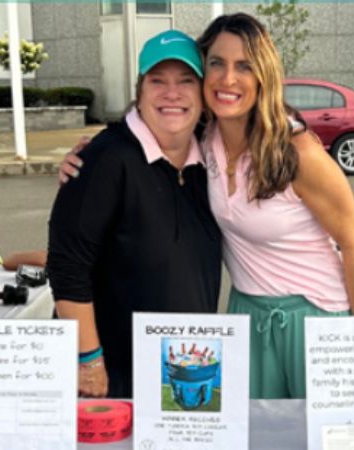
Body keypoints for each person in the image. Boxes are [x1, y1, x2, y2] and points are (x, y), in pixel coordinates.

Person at [60, 14, 354, 400]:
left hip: (316, 316)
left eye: (244, 66)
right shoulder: (204, 139)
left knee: (324, 435)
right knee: (254, 436)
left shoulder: (296, 151)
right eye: (217, 64)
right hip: (246, 316)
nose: (228, 79)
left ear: (263, 75)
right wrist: (89, 156)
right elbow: (148, 126)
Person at [47, 29, 222, 399]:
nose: (171, 93)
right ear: (139, 93)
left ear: (203, 95)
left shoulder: (212, 156)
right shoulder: (104, 159)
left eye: (186, 81)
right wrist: (89, 360)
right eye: (157, 81)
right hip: (115, 374)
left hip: (187, 364)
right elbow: (67, 266)